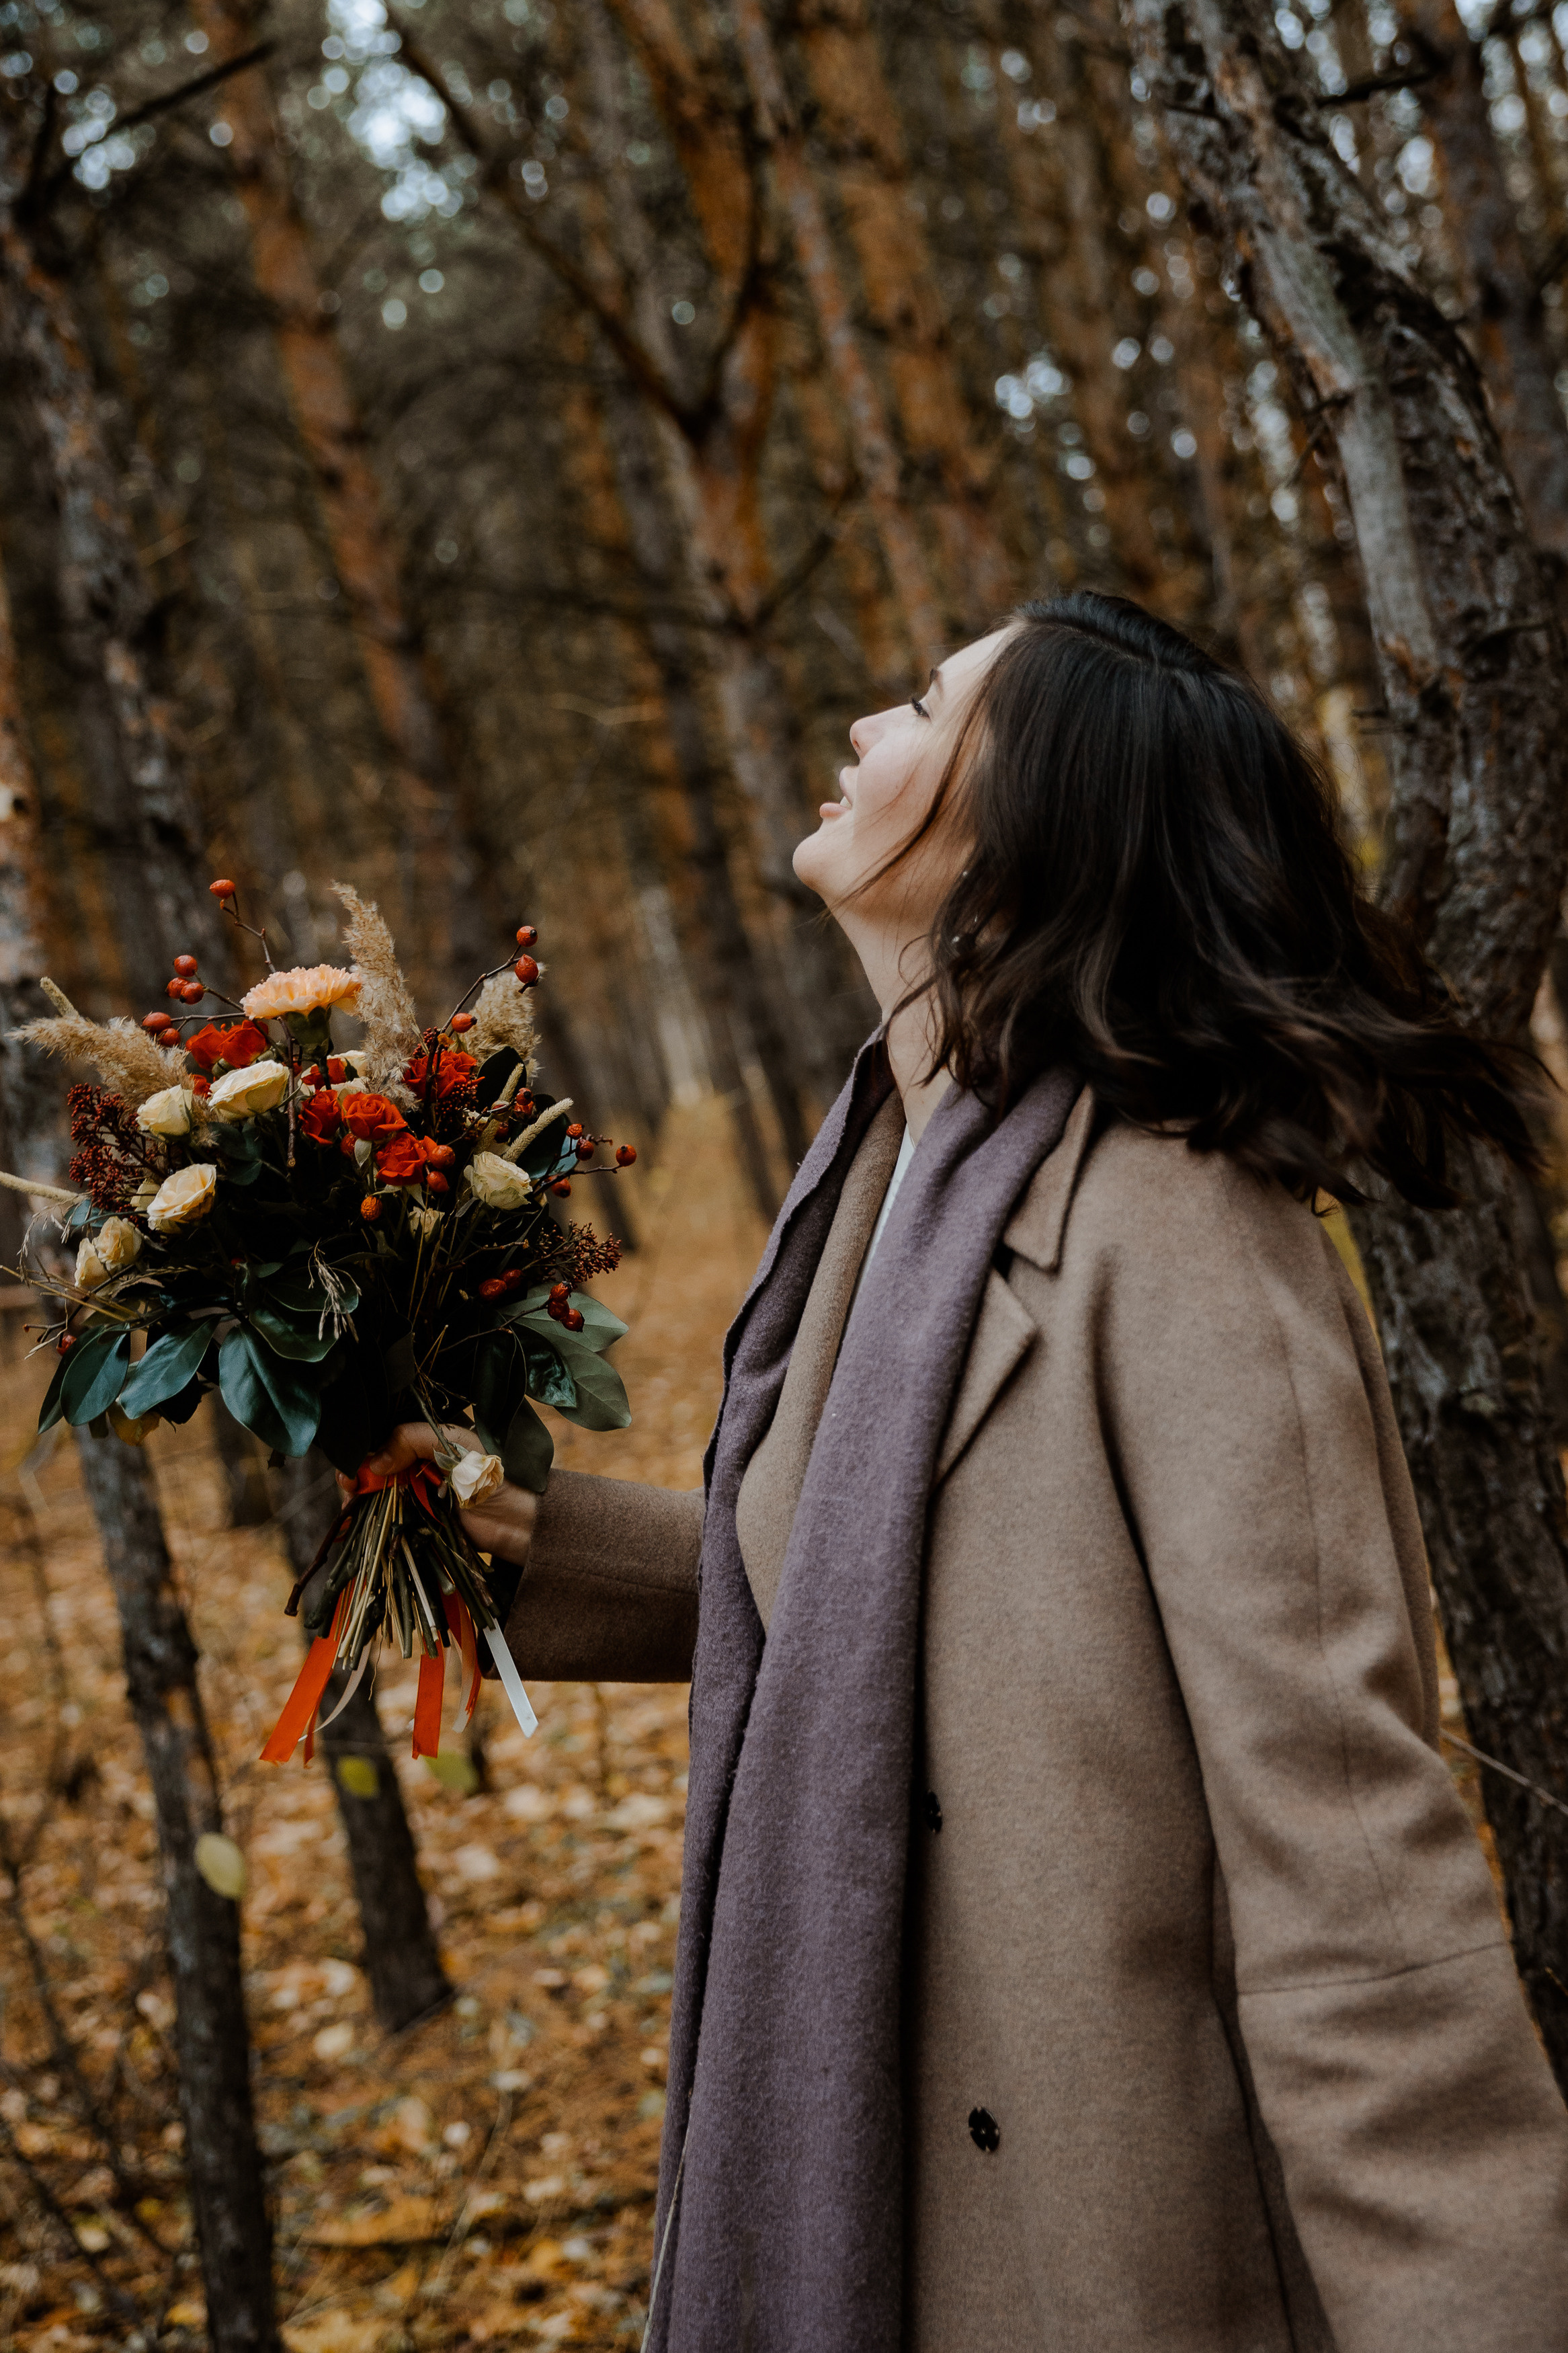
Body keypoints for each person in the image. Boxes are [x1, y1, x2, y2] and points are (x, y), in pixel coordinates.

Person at [360, 595, 1568, 2352]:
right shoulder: (898, 1175)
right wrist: (493, 1543)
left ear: (1036, 826)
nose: (867, 725)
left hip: (1110, 2241)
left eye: (931, 705)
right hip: (899, 2185)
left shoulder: (1184, 1231)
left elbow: (1353, 1879)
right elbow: (875, 1582)